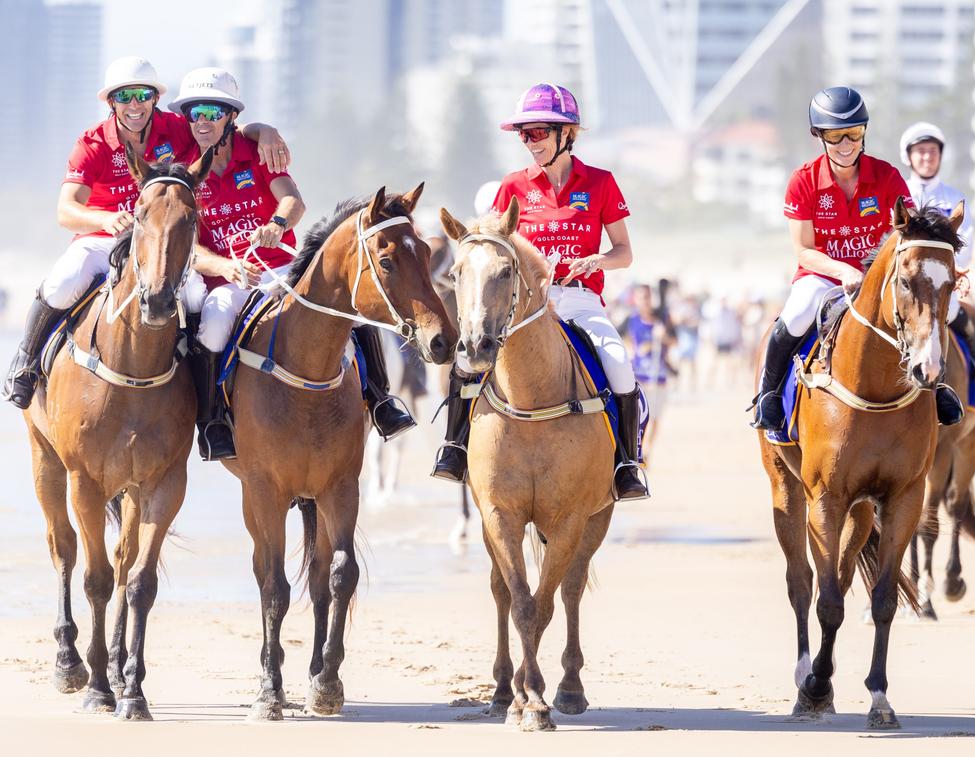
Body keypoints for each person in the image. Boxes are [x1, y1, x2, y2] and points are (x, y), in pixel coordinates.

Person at [2, 56, 290, 410]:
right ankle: (26, 362)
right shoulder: (92, 144)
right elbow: (66, 211)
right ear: (112, 103)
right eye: (125, 97)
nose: (134, 105)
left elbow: (218, 125)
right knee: (63, 282)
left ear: (155, 99)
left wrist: (264, 131)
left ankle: (200, 401)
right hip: (104, 239)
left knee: (198, 298)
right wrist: (104, 220)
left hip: (157, 240)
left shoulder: (176, 127)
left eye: (142, 95)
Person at [169, 68, 413, 459]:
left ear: (231, 117)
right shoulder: (183, 170)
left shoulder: (256, 151)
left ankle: (381, 401)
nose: (202, 122)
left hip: (283, 270)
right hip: (228, 282)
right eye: (195, 112)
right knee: (212, 330)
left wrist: (276, 224)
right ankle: (214, 421)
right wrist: (224, 267)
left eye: (213, 112)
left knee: (347, 311)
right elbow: (190, 249)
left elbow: (293, 200)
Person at [431, 83, 649, 501]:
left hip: (580, 299)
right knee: (466, 360)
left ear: (566, 134)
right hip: (525, 307)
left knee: (620, 365)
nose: (529, 143)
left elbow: (624, 253)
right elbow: (493, 245)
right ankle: (454, 448)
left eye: (537, 133)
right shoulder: (512, 186)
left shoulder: (601, 183)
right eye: (523, 135)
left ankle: (627, 463)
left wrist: (597, 261)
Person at [750, 86, 964, 430]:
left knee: (937, 310)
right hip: (821, 276)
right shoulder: (802, 181)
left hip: (879, 277)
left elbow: (910, 232)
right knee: (797, 313)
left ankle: (938, 387)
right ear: (819, 135)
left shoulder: (887, 176)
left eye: (854, 133)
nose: (846, 144)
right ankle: (768, 395)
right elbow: (803, 249)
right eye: (836, 136)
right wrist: (842, 270)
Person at [899, 121, 975, 379]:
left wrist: (947, 270)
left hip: (941, 280)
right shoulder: (898, 194)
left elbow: (966, 240)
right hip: (908, 280)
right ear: (909, 156)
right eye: (921, 151)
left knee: (953, 313)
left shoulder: (954, 198)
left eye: (933, 151)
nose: (927, 157)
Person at [621, 283, 675, 456]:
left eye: (648, 296)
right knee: (638, 417)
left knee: (656, 417)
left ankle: (648, 450)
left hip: (659, 376)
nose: (646, 301)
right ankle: (639, 449)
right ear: (635, 300)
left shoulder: (663, 318)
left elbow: (675, 341)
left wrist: (662, 337)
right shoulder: (631, 320)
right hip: (639, 377)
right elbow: (622, 339)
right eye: (642, 297)